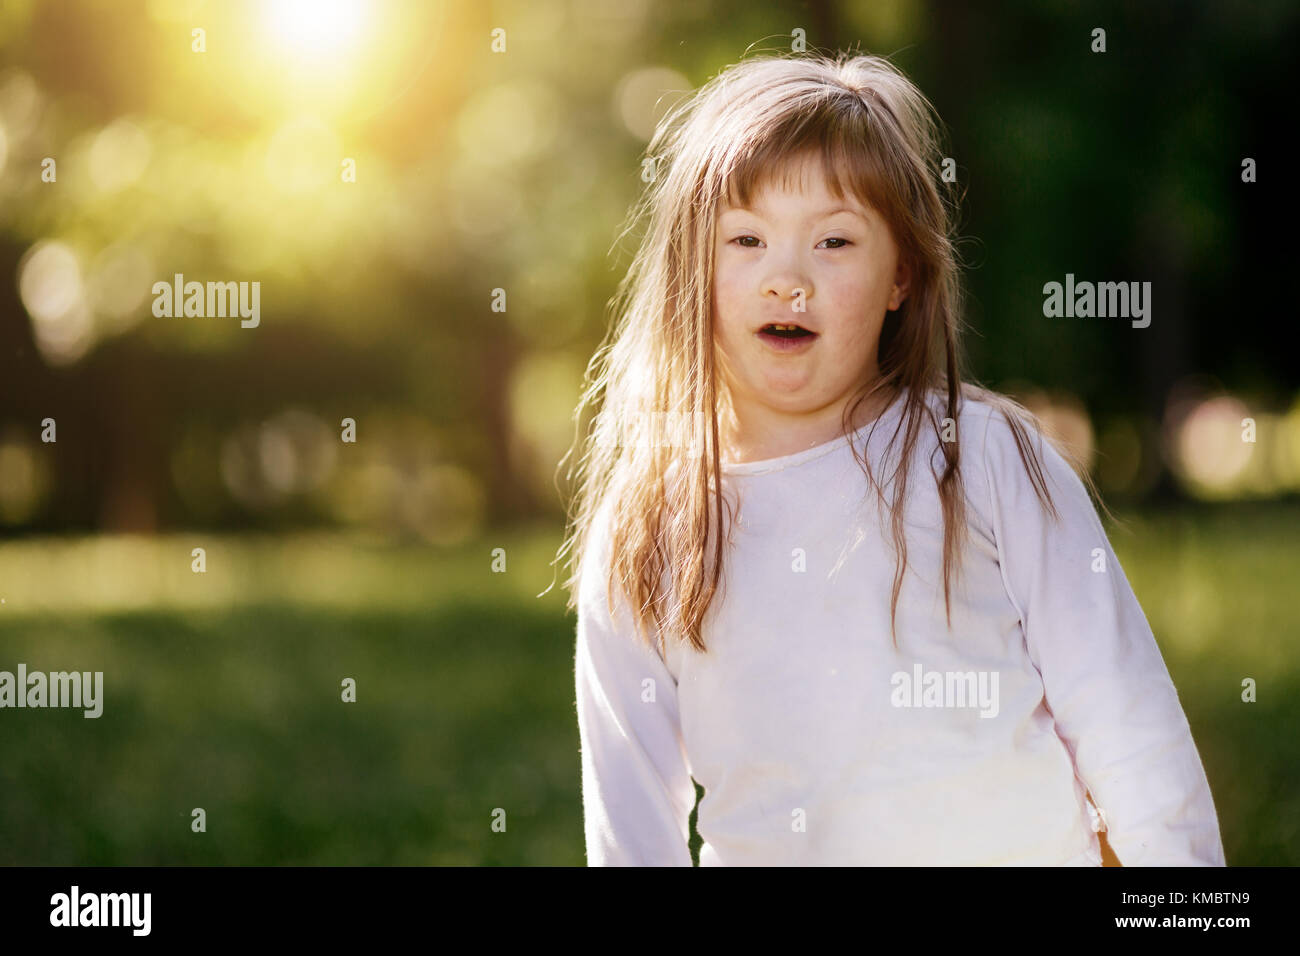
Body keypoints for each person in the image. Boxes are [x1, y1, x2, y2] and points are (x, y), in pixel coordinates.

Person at [555, 50, 1225, 866]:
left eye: (834, 240)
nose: (787, 278)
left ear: (901, 274)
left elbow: (1129, 724)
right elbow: (630, 826)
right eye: (746, 238)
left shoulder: (984, 460)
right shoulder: (651, 527)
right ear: (693, 267)